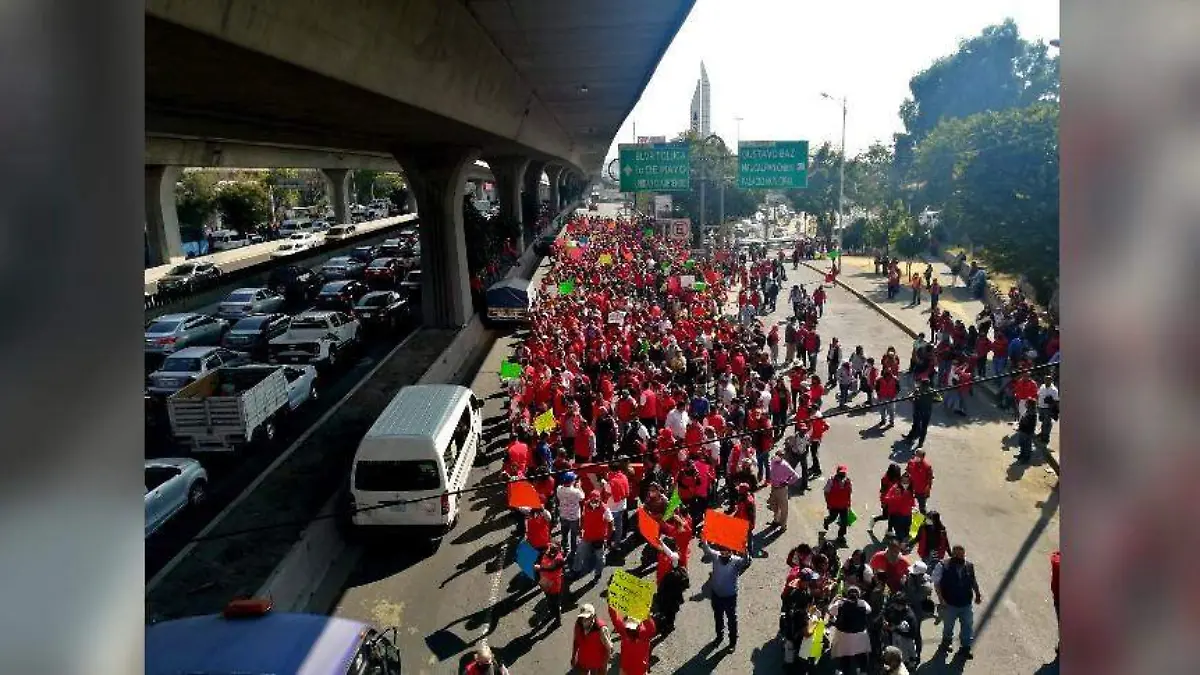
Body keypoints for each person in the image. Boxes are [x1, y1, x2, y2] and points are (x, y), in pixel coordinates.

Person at [700, 539, 752, 648]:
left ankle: (732, 642)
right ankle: (719, 637)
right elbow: (707, 550)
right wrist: (704, 539)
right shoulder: (715, 556)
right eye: (722, 551)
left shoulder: (736, 561)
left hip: (730, 596)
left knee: (732, 620)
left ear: (731, 551)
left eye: (727, 551)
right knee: (718, 617)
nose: (724, 553)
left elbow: (746, 561)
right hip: (716, 595)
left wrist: (745, 549)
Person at [933, 545, 982, 659]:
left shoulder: (969, 566)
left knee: (967, 626)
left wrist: (978, 594)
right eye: (958, 555)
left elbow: (973, 581)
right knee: (948, 626)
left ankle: (965, 648)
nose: (961, 558)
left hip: (966, 604)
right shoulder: (943, 566)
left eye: (962, 555)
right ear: (953, 555)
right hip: (949, 604)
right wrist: (941, 599)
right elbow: (937, 583)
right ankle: (946, 643)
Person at [827, 585, 872, 675]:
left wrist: (834, 599)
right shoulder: (863, 603)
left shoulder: (840, 603)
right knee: (862, 655)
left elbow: (830, 610)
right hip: (860, 635)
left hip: (844, 636)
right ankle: (862, 671)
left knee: (845, 655)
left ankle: (843, 670)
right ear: (858, 595)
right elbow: (869, 610)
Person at [575, 490, 613, 582]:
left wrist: (607, 538)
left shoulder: (605, 509)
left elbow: (611, 522)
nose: (594, 502)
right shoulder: (585, 505)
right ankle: (576, 570)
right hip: (587, 535)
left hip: (599, 538)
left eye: (596, 501)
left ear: (599, 500)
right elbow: (583, 517)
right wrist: (580, 529)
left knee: (600, 558)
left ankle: (597, 574)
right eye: (592, 500)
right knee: (579, 553)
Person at [608, 606, 656, 675]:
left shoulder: (624, 632)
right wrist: (645, 614)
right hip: (640, 668)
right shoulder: (645, 635)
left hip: (626, 668)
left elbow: (615, 617)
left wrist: (611, 605)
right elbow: (652, 627)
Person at [571, 603, 614, 675]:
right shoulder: (578, 624)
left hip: (597, 662)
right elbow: (576, 641)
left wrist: (603, 667)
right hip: (583, 660)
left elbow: (609, 648)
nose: (584, 621)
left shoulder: (601, 629)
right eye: (582, 617)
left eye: (587, 618)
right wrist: (573, 656)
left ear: (593, 616)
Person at [881, 594, 920, 669]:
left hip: (906, 642)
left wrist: (895, 630)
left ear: (902, 605)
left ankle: (909, 665)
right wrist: (885, 620)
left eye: (896, 605)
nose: (894, 606)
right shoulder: (893, 608)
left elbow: (913, 634)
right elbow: (885, 613)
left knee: (906, 656)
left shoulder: (910, 617)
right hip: (895, 639)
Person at [534, 542, 566, 627]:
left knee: (555, 603)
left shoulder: (559, 560)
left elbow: (551, 568)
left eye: (553, 550)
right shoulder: (547, 552)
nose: (550, 551)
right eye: (550, 549)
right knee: (549, 601)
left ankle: (558, 620)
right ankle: (551, 614)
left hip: (554, 586)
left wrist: (540, 568)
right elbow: (541, 558)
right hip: (545, 581)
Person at [654, 558, 690, 634]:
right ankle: (670, 626)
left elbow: (661, 587)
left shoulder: (670, 575)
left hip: (666, 599)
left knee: (665, 612)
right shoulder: (683, 571)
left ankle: (664, 626)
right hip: (676, 599)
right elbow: (687, 585)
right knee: (672, 615)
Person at [767, 450, 802, 529]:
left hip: (781, 489)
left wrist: (787, 482)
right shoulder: (773, 461)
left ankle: (783, 525)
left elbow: (796, 476)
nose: (778, 456)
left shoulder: (785, 465)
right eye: (777, 455)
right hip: (773, 488)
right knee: (774, 506)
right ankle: (776, 521)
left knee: (783, 508)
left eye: (781, 455)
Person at [557, 472, 585, 560]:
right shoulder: (576, 491)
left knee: (564, 533)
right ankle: (573, 550)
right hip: (574, 517)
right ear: (571, 481)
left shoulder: (559, 489)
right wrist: (579, 486)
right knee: (574, 535)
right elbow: (582, 497)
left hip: (563, 515)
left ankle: (565, 548)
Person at [822, 465, 853, 544]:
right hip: (834, 505)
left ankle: (841, 536)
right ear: (837, 473)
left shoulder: (848, 481)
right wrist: (828, 503)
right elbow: (826, 492)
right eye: (841, 473)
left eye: (844, 473)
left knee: (844, 521)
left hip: (844, 506)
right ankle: (827, 521)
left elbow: (849, 493)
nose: (842, 475)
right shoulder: (831, 481)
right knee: (833, 517)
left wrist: (849, 504)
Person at [903, 379, 935, 448]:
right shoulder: (932, 391)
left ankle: (910, 439)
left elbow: (911, 398)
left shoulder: (919, 390)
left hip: (919, 411)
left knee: (916, 426)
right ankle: (918, 442)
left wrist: (914, 401)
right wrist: (931, 401)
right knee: (922, 428)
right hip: (926, 412)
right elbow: (939, 399)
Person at [905, 449, 934, 514]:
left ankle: (924, 521)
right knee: (907, 505)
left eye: (919, 456)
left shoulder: (927, 467)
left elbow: (930, 480)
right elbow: (907, 473)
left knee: (922, 508)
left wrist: (927, 490)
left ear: (923, 457)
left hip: (921, 491)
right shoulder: (911, 462)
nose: (917, 457)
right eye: (916, 455)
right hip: (911, 488)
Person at [1036, 375, 1060, 443]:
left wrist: (1055, 411)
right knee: (1043, 421)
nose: (1046, 381)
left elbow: (1056, 401)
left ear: (1051, 381)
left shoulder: (1054, 390)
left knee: (1047, 423)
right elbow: (1038, 394)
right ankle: (1042, 433)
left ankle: (1046, 438)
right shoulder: (1042, 386)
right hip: (1041, 407)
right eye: (1045, 379)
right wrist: (1037, 404)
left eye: (1048, 380)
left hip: (1048, 409)